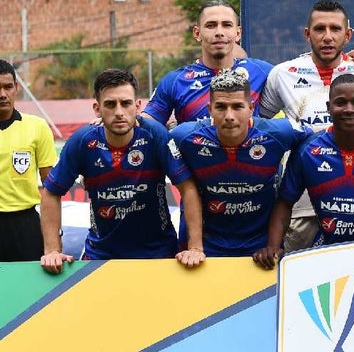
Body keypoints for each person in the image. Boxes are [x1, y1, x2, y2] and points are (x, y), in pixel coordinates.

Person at [257, 0, 354, 252]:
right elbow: (258, 125)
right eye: (320, 29)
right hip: (301, 202)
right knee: (302, 271)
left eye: (335, 29)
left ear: (348, 35)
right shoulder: (282, 73)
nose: (328, 37)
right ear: (307, 34)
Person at [39, 69, 203, 273]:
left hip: (158, 253)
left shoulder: (156, 135)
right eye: (110, 104)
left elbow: (188, 188)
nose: (119, 112)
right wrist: (53, 250)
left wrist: (195, 248)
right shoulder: (82, 141)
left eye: (125, 103)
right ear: (97, 109)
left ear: (137, 106)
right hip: (101, 256)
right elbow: (51, 193)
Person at [255, 74, 354, 267]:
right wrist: (273, 247)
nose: (349, 109)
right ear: (328, 107)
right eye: (340, 103)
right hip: (327, 257)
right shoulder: (308, 151)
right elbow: (285, 202)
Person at [170, 71, 313, 259]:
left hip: (261, 251)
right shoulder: (185, 136)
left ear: (251, 108)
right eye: (221, 107)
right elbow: (155, 144)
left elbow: (314, 140)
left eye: (237, 106)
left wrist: (290, 184)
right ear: (210, 109)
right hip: (206, 249)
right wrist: (195, 247)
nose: (229, 116)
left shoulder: (279, 132)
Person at [143, 0, 274, 125]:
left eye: (227, 25)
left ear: (238, 33)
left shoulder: (261, 72)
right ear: (197, 33)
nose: (219, 32)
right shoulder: (175, 81)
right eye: (211, 25)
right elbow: (146, 125)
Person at [0, 60, 56, 261]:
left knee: (29, 281)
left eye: (8, 87)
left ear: (16, 87)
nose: (2, 94)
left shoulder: (37, 127)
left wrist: (54, 240)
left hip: (25, 225)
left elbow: (51, 188)